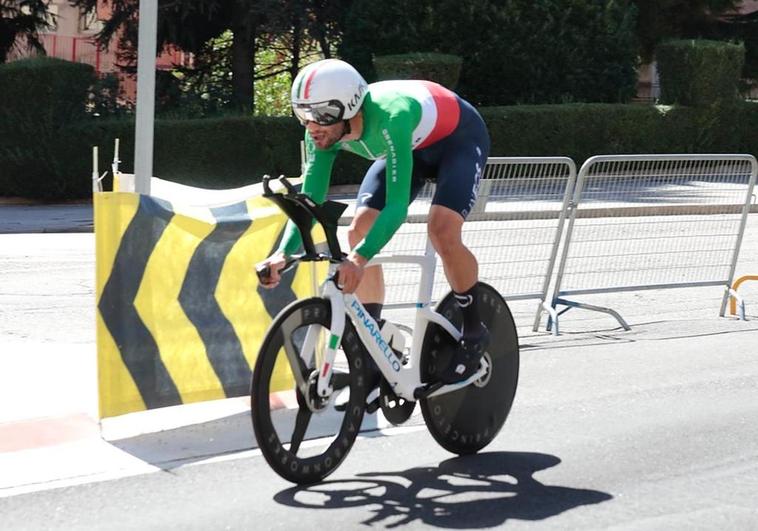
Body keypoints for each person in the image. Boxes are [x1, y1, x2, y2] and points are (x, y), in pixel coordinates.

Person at [257, 58, 490, 383]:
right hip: (411, 147)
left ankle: (475, 328)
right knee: (359, 229)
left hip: (457, 141)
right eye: (303, 115)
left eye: (321, 115)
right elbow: (311, 202)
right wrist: (283, 253)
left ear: (350, 107)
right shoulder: (322, 132)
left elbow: (396, 207)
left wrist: (358, 261)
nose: (312, 126)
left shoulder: (392, 116)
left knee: (442, 230)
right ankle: (375, 345)